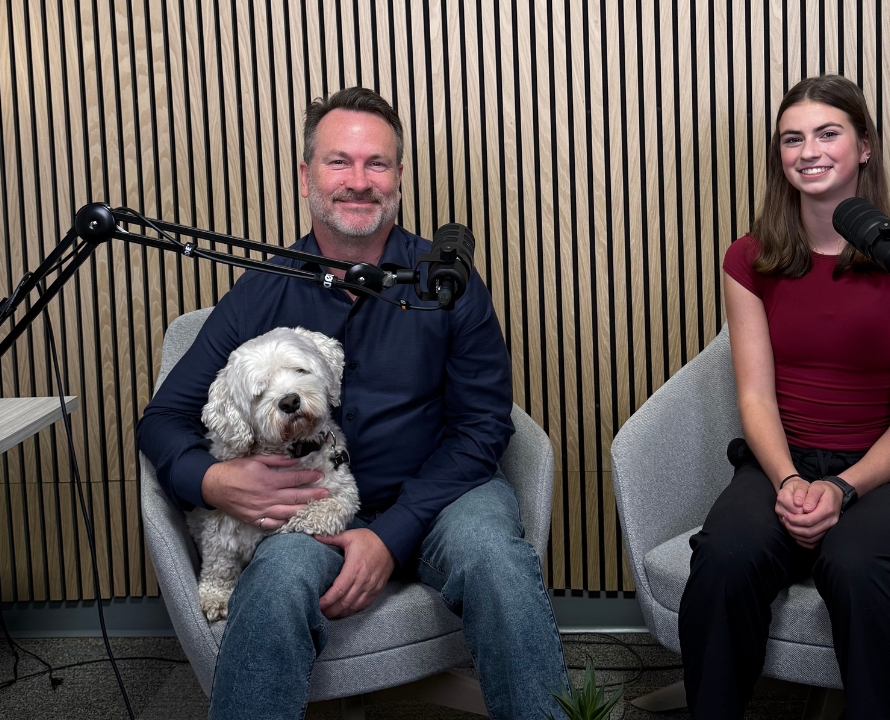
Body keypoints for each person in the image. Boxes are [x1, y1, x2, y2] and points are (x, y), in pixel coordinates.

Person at [137, 86, 569, 720]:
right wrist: (212, 479)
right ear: (306, 176)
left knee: (496, 561)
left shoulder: (445, 279)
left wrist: (388, 537)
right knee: (277, 583)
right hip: (306, 506)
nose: (359, 182)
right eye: (340, 162)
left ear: (399, 176)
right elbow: (162, 421)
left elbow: (482, 427)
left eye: (377, 164)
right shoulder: (261, 291)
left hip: (442, 490)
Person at [677, 74, 890, 719]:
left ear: (864, 146)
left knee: (858, 566)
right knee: (724, 558)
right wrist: (787, 481)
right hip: (784, 459)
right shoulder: (750, 259)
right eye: (792, 139)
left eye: (827, 133)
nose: (809, 150)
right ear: (779, 158)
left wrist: (840, 490)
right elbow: (754, 395)